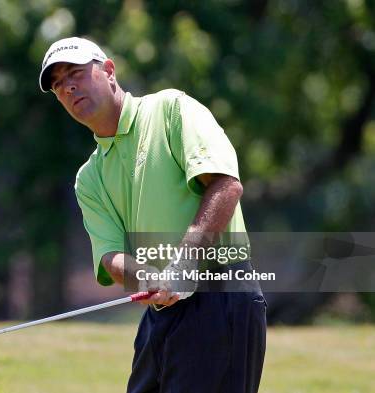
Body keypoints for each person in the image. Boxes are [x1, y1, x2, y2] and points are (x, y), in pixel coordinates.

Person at [39, 37, 267, 393]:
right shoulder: (89, 177)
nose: (68, 86)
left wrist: (184, 263)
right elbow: (110, 254)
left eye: (77, 73)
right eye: (57, 84)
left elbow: (226, 185)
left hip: (220, 298)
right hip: (161, 313)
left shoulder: (170, 110)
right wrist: (145, 276)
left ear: (109, 71)